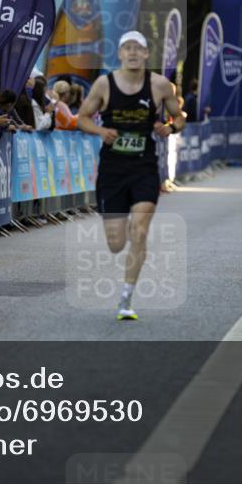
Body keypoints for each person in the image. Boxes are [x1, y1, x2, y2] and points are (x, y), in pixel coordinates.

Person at [76, 30, 185, 321]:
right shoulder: (104, 84)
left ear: (147, 54)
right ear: (120, 54)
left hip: (144, 166)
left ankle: (126, 297)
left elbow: (181, 116)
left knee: (140, 230)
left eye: (139, 47)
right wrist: (101, 131)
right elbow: (82, 118)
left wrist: (170, 127)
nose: (133, 52)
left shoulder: (161, 85)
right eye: (128, 48)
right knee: (115, 243)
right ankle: (119, 230)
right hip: (112, 169)